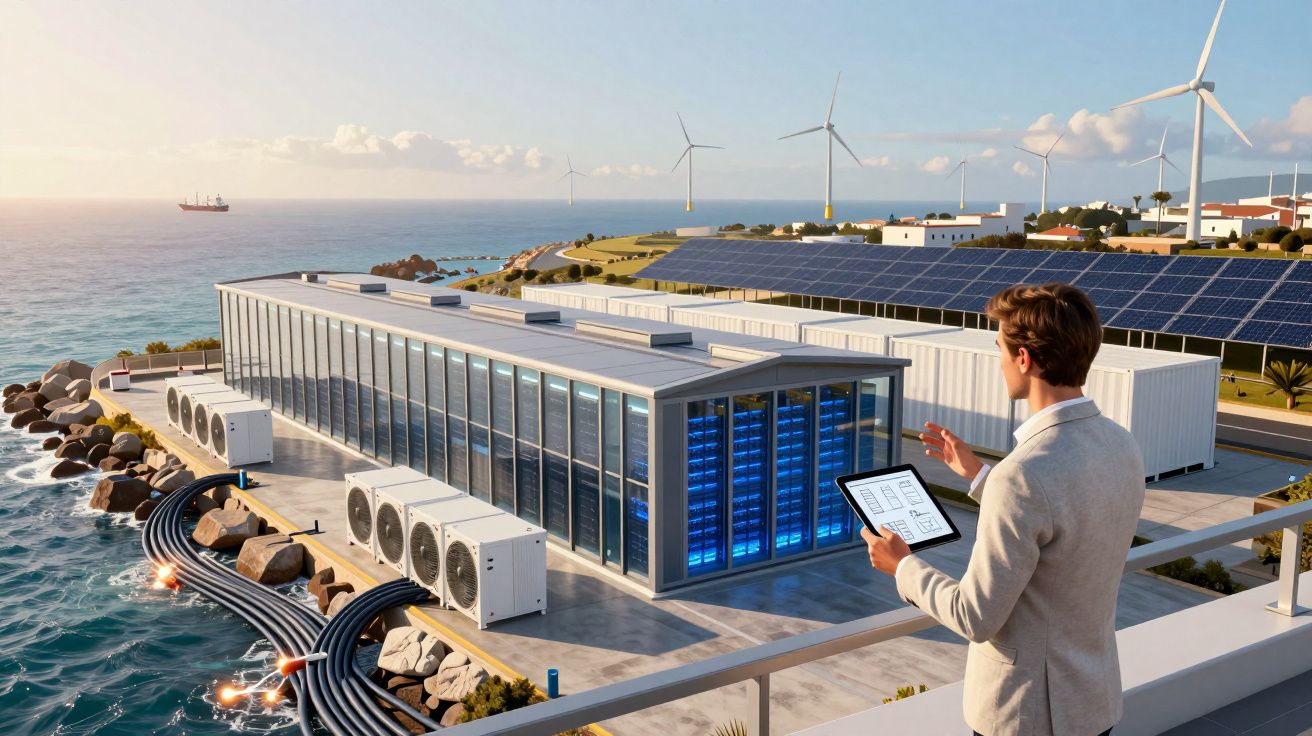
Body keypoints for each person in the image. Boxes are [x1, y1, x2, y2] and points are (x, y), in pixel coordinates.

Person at [862, 283, 1145, 736]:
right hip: (1093, 701)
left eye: (999, 347)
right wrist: (978, 475)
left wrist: (903, 567)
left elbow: (975, 616)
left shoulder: (1023, 476)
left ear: (1024, 360)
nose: (999, 361)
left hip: (1027, 714)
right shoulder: (1121, 443)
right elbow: (1064, 512)